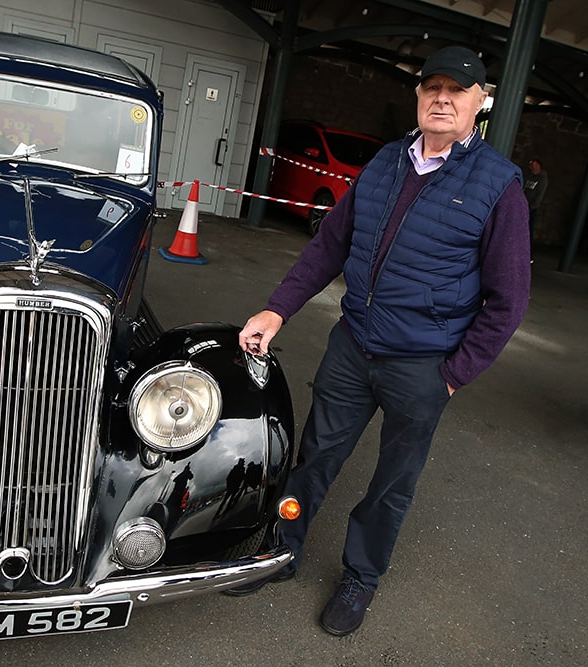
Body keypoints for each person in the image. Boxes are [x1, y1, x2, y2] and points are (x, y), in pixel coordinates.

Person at [224, 46, 530, 636]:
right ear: (418, 97)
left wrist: (453, 373)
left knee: (392, 483)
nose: (442, 98)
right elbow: (328, 246)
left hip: (423, 364)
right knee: (314, 457)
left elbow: (509, 300)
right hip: (353, 344)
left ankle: (360, 578)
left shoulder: (499, 185)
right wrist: (278, 309)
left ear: (479, 102)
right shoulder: (387, 162)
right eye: (432, 87)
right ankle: (282, 549)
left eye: (457, 90)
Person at [524, 158, 548, 247]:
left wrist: (532, 206)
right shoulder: (530, 177)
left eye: (533, 164)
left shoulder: (542, 179)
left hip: (530, 208)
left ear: (538, 166)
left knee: (529, 228)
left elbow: (540, 194)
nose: (531, 167)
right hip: (524, 205)